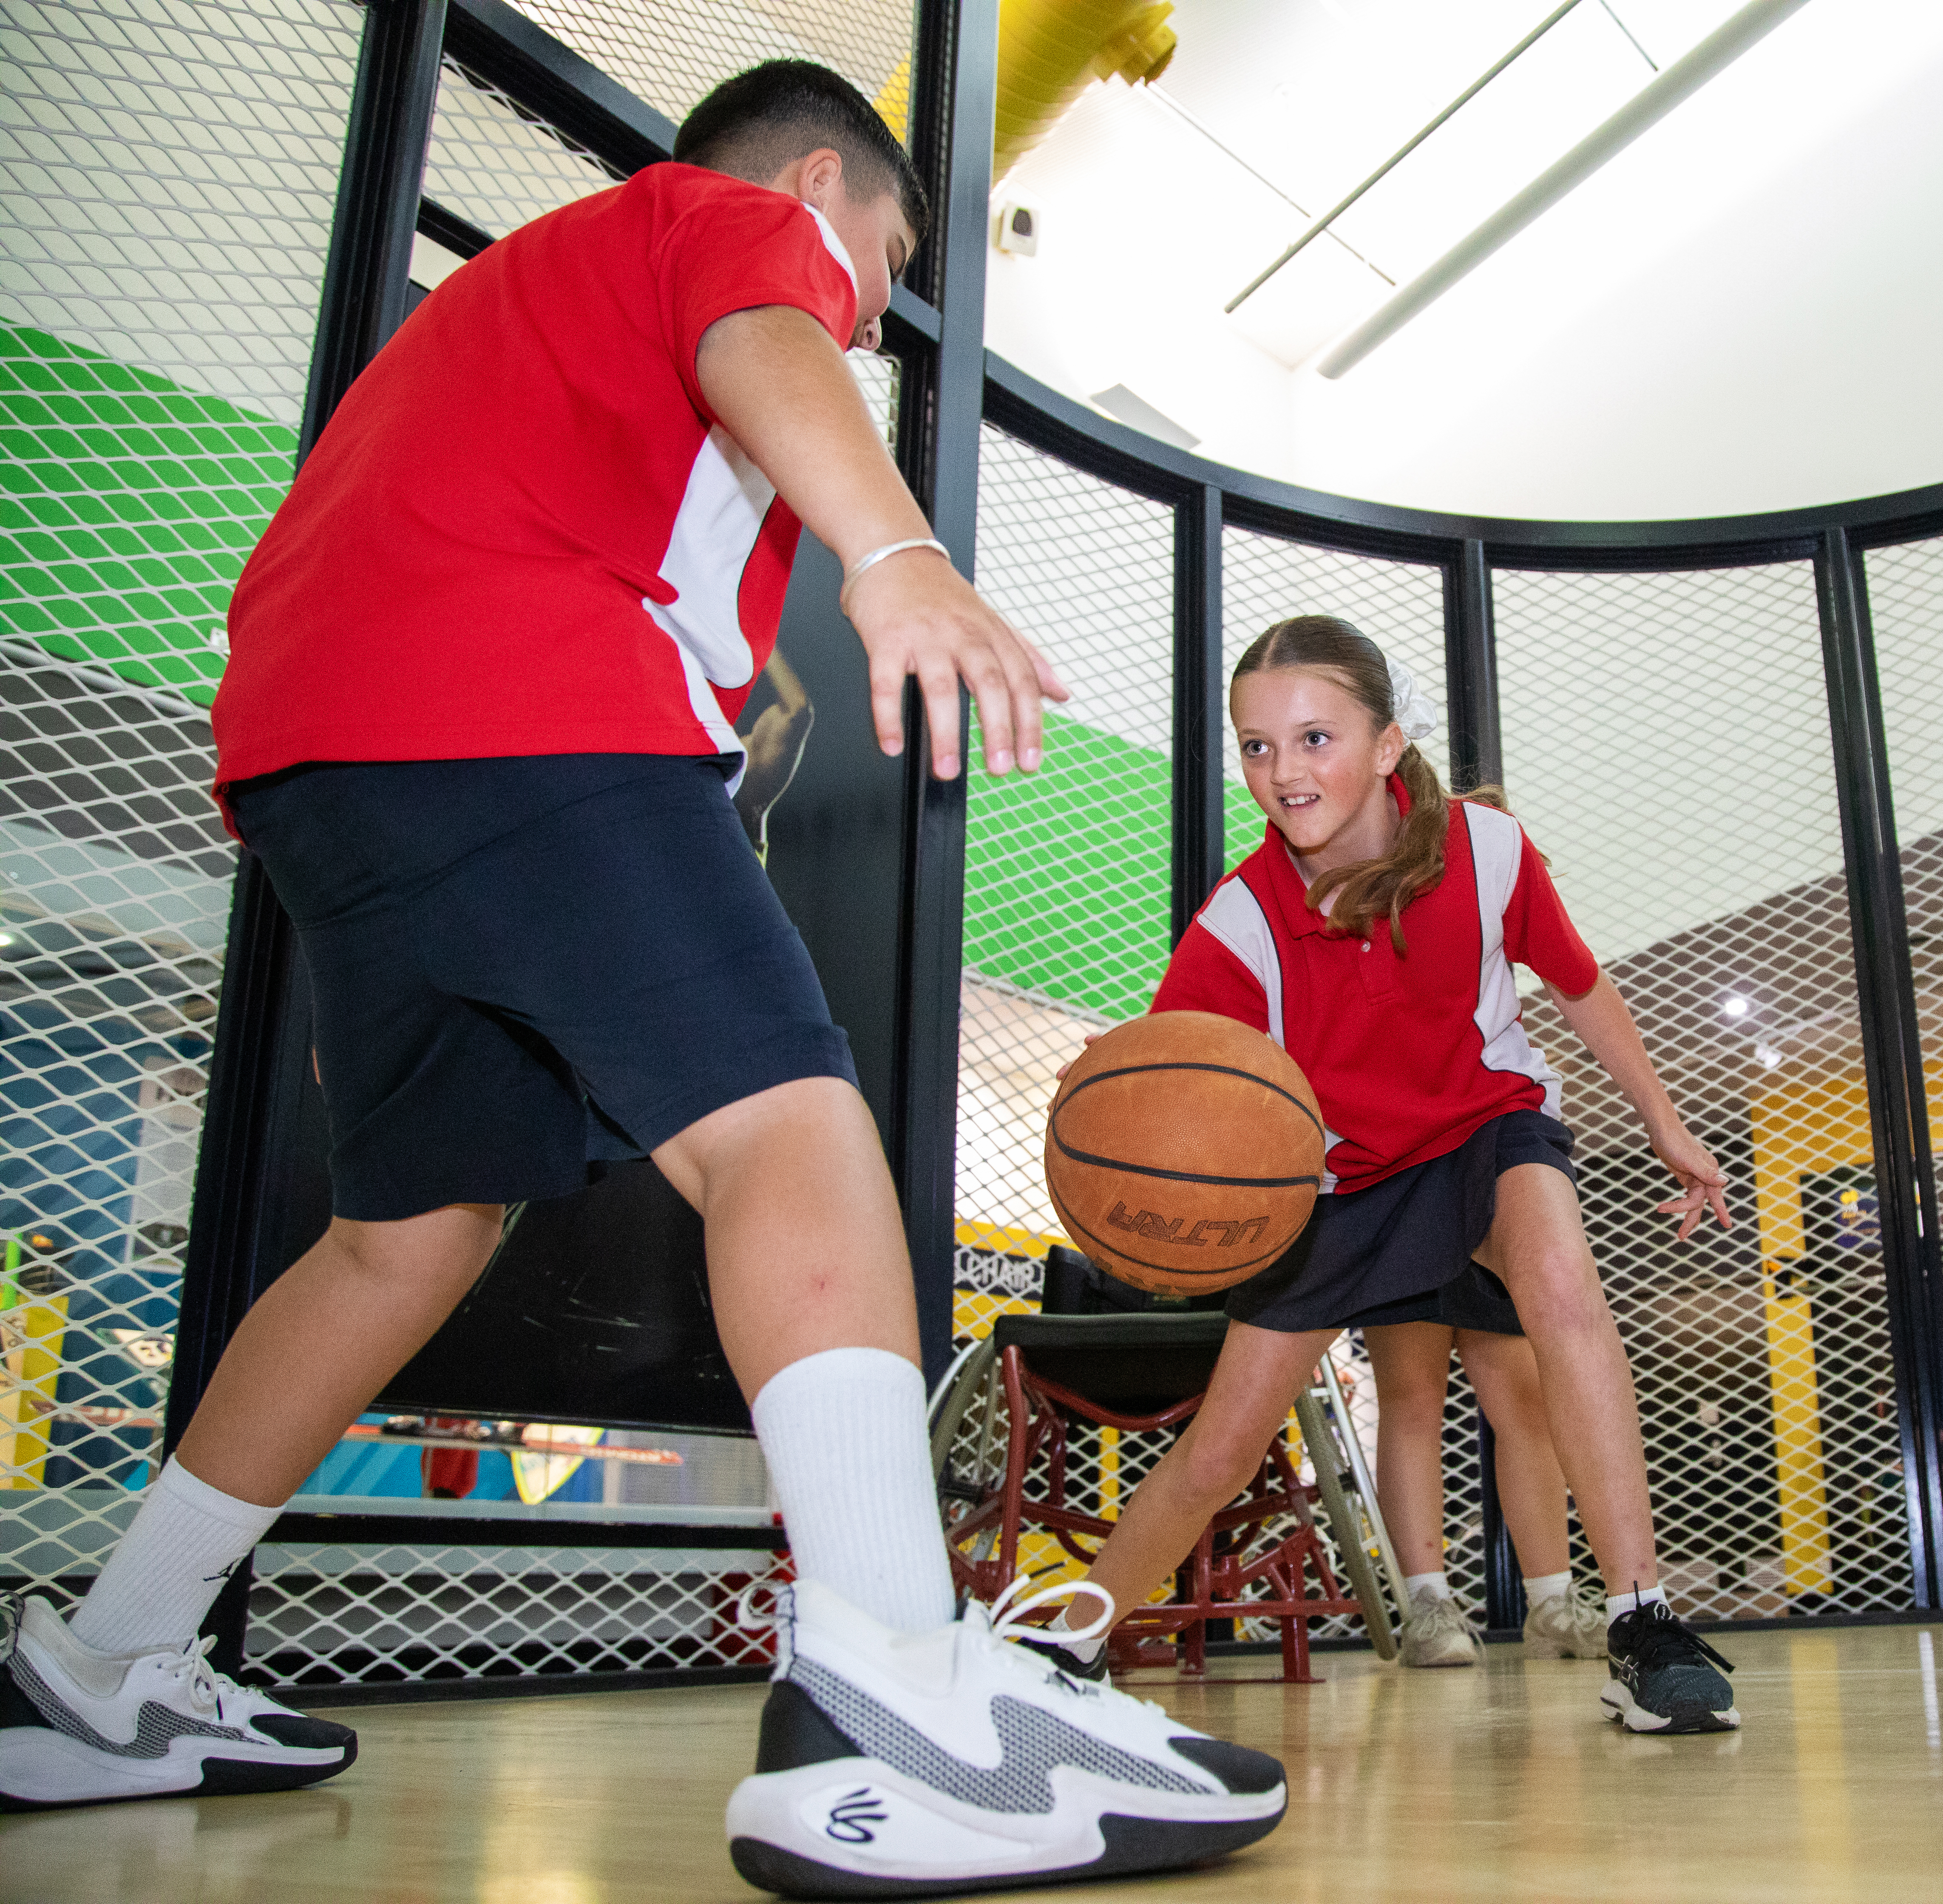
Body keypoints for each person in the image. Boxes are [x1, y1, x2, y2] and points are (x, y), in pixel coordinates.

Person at [0, 60, 1288, 1895]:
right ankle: (897, 1692)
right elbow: (767, 321)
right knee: (795, 1131)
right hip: (506, 696)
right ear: (825, 182)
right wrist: (900, 554)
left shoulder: (533, 315)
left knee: (407, 1233)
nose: (869, 292)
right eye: (887, 251)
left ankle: (112, 1660)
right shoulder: (730, 226)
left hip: (317, 755)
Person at [1041, 615, 1742, 1734]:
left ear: (1384, 744)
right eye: (1258, 747)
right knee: (1223, 1443)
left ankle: (1644, 1619)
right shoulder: (1241, 920)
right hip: (1337, 1182)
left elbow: (1579, 986)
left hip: (1484, 1130)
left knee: (1563, 1294)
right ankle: (1060, 1644)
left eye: (1315, 737)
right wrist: (1118, 1087)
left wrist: (1664, 1120)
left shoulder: (1490, 851)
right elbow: (1171, 1074)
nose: (1283, 772)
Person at [1357, 1275, 1607, 1666]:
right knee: (1412, 1404)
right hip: (1397, 1221)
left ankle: (1553, 1604)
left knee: (1526, 1405)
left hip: (1486, 1223)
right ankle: (1427, 1607)